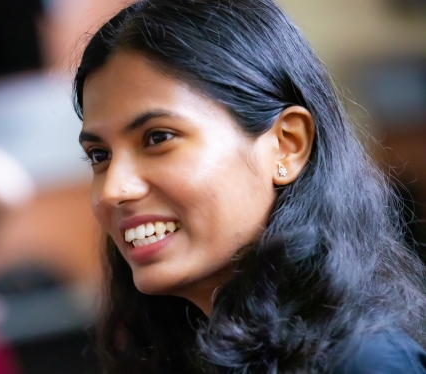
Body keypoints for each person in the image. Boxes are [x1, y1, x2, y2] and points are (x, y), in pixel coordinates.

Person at [73, 0, 426, 373]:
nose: (114, 189)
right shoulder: (178, 353)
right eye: (99, 156)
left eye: (158, 137)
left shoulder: (364, 363)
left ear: (287, 145)